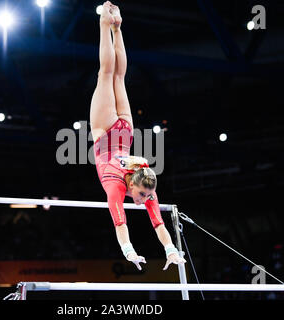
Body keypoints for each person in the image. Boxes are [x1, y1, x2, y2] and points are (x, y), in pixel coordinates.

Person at [90, 1, 186, 271]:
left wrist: (170, 251)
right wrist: (129, 252)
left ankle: (118, 27)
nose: (145, 200)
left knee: (118, 77)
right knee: (108, 74)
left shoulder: (145, 181)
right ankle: (105, 25)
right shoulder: (117, 187)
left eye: (146, 196)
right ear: (134, 186)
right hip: (108, 133)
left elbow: (159, 224)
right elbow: (120, 223)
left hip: (124, 132)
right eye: (144, 196)